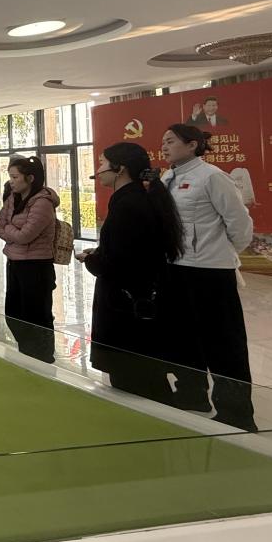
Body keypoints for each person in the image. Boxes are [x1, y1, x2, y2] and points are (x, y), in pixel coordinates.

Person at [161, 123, 256, 430]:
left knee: (223, 342)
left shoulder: (213, 176)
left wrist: (220, 252)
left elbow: (240, 224)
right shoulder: (167, 177)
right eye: (163, 142)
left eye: (171, 141)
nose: (164, 146)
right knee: (183, 336)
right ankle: (191, 393)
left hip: (211, 273)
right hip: (177, 266)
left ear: (192, 145)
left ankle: (236, 412)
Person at [77, 142, 184, 401]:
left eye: (102, 163)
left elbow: (120, 264)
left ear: (120, 168)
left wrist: (92, 260)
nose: (98, 170)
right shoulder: (134, 200)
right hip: (135, 301)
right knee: (141, 377)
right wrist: (101, 253)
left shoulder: (129, 205)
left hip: (128, 307)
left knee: (135, 383)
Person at [0, 156, 59, 363]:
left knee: (36, 316)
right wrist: (13, 231)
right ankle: (26, 354)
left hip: (36, 266)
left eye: (15, 177)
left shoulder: (43, 202)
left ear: (30, 178)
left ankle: (42, 359)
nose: (11, 181)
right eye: (10, 177)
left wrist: (10, 230)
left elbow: (25, 235)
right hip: (15, 262)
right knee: (14, 313)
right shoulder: (13, 199)